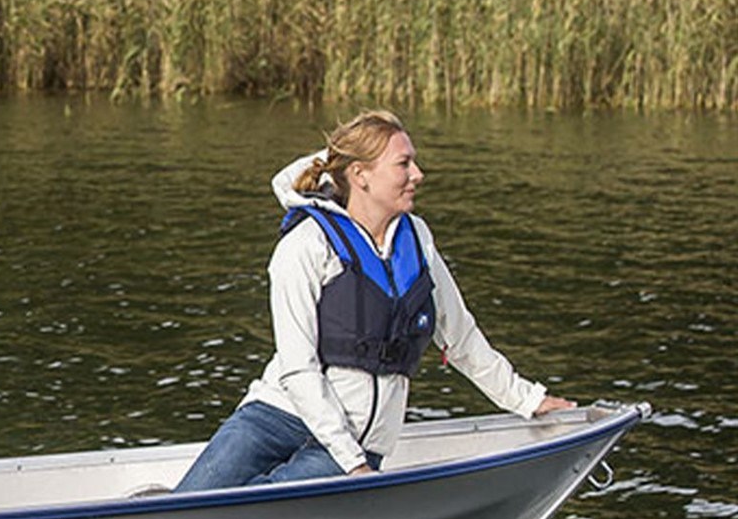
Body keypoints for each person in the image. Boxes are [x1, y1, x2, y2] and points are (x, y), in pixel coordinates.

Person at [175, 110, 576, 492]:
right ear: (360, 175)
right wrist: (354, 464)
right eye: (403, 164)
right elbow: (298, 369)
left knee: (242, 515)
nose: (417, 174)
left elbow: (461, 338)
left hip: (351, 445)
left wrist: (530, 400)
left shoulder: (417, 241)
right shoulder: (305, 245)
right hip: (275, 418)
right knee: (185, 509)